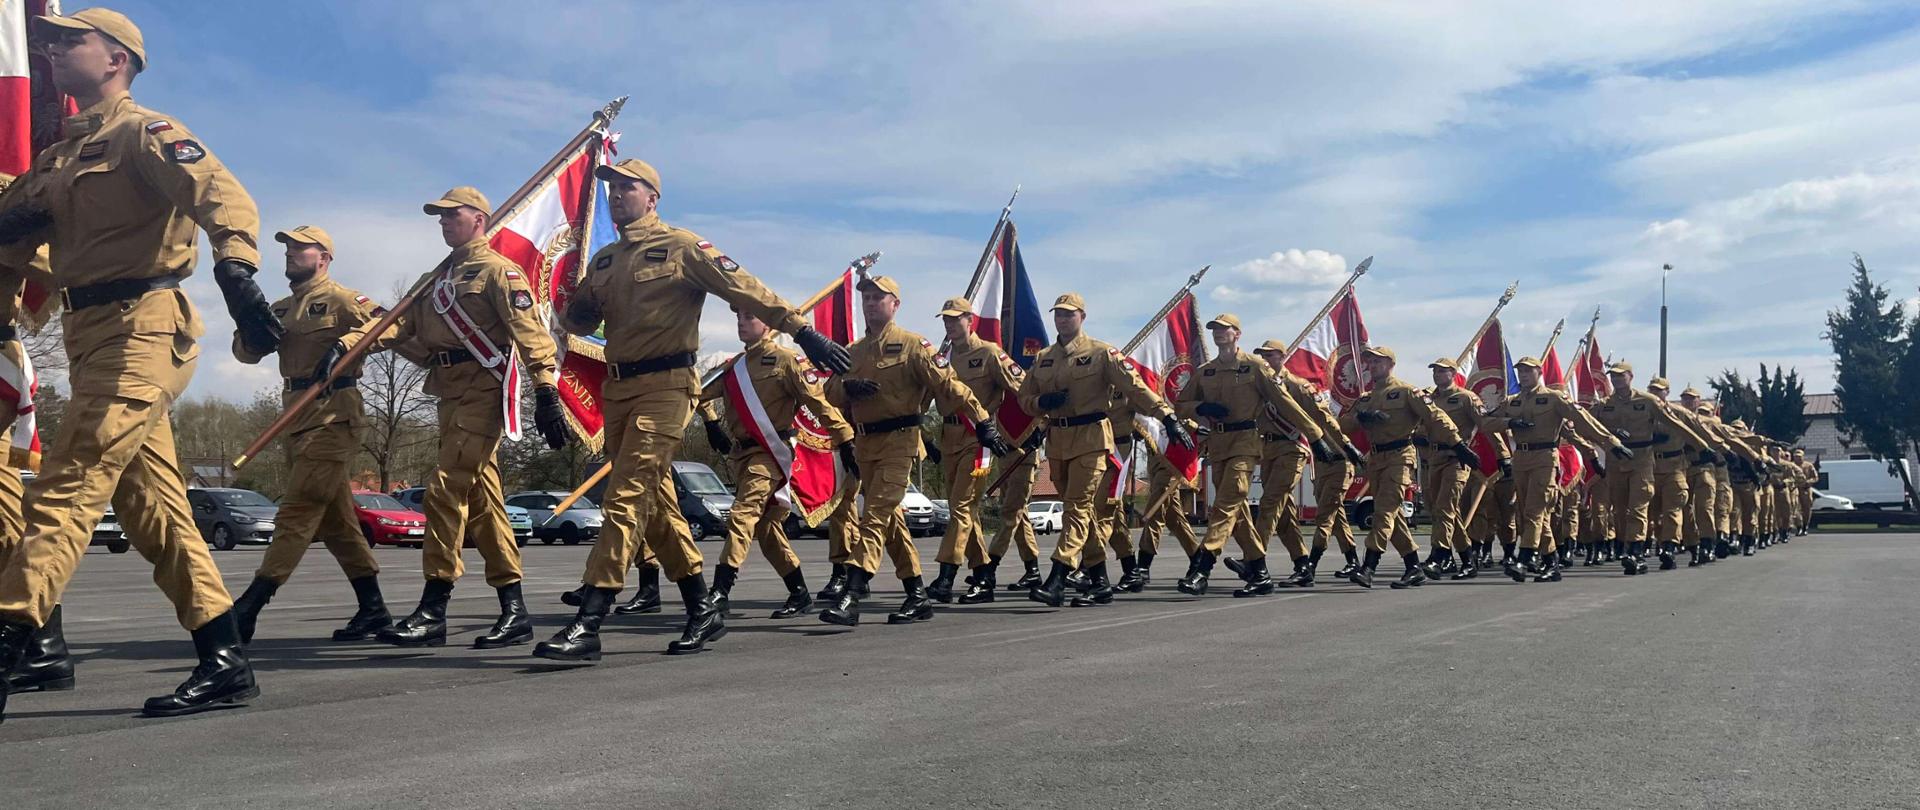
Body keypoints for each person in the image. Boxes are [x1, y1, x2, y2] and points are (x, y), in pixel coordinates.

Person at [0, 7, 277, 719]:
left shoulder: (145, 133)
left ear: (117, 58)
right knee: (151, 508)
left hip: (146, 328)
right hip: (90, 336)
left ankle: (7, 641)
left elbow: (221, 194)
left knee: (70, 479)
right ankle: (224, 661)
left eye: (71, 42)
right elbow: (11, 229)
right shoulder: (59, 157)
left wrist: (239, 267)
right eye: (50, 44)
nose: (54, 53)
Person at [537, 159, 851, 660]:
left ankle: (590, 618)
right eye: (612, 188)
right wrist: (570, 300)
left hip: (666, 388)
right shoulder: (603, 260)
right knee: (658, 504)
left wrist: (801, 331)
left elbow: (744, 286)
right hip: (618, 390)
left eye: (627, 187)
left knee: (626, 494)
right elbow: (579, 319)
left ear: (652, 197)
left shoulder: (681, 247)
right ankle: (701, 607)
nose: (617, 195)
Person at [341, 185, 567, 650]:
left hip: (484, 389)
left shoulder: (500, 272)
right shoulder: (436, 278)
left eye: (452, 215)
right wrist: (348, 346)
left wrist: (546, 387)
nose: (443, 223)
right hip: (446, 391)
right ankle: (514, 609)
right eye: (439, 217)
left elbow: (530, 332)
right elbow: (399, 327)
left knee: (444, 488)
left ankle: (434, 606)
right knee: (484, 505)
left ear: (479, 220)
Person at [228, 226, 393, 643]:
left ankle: (249, 605)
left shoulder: (340, 299)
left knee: (298, 509)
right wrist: (247, 325)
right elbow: (246, 355)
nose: (289, 253)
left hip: (333, 415)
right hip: (295, 417)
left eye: (300, 247)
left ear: (323, 257)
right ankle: (373, 609)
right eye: (286, 247)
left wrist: (346, 345)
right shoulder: (282, 309)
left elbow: (391, 325)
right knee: (337, 523)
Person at [820, 275, 1006, 626]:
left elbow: (950, 385)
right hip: (865, 443)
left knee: (874, 516)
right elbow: (828, 395)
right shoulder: (853, 351)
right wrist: (847, 387)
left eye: (879, 297)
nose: (871, 303)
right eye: (867, 298)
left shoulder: (912, 345)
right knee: (891, 524)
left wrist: (982, 420)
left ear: (895, 305)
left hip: (900, 441)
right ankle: (916, 595)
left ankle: (853, 591)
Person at [1018, 293, 1191, 606]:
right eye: (1058, 314)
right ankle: (1100, 581)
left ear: (1082, 316)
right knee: (1084, 514)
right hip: (1057, 442)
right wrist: (1041, 403)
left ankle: (1058, 576)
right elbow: (1023, 398)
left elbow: (1137, 389)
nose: (1062, 319)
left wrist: (1167, 417)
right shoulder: (1044, 357)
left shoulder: (1102, 354)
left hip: (1092, 440)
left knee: (1077, 508)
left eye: (1069, 314)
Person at [693, 307, 853, 620]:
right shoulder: (734, 367)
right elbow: (697, 394)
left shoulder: (787, 361)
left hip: (770, 452)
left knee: (743, 514)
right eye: (737, 317)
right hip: (741, 454)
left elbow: (818, 403)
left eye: (748, 316)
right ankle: (799, 592)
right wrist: (711, 423)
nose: (741, 321)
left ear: (767, 324)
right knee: (766, 529)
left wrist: (845, 439)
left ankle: (720, 590)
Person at [1175, 315, 1332, 597]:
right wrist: (1201, 407)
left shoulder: (1254, 366)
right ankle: (1259, 573)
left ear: (1237, 334)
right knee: (1238, 514)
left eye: (1225, 329)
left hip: (1246, 442)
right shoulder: (1206, 371)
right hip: (1219, 444)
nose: (1219, 334)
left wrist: (1316, 436)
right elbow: (1181, 403)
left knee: (1227, 502)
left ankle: (1202, 567)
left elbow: (1285, 402)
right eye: (1215, 330)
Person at [1339, 346, 1472, 589]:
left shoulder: (1406, 392)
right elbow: (1343, 425)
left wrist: (1458, 444)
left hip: (1400, 457)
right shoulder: (1366, 398)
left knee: (1384, 512)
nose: (1372, 366)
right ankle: (1413, 566)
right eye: (1370, 362)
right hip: (1376, 460)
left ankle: (1369, 566)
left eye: (1378, 362)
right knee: (1393, 515)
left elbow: (1436, 416)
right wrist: (1361, 418)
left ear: (1390, 363)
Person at [1485, 357, 1625, 582]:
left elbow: (1583, 420)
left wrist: (1611, 443)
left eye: (1528, 371)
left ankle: (1525, 557)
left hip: (1545, 457)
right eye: (1520, 372)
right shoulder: (1512, 402)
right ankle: (1551, 562)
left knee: (1535, 510)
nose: (1523, 376)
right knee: (1527, 513)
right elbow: (1486, 423)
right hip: (1520, 457)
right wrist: (1509, 423)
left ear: (1539, 372)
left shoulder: (1554, 398)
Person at [929, 297, 1027, 603]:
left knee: (962, 506)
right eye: (945, 319)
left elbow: (1022, 389)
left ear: (970, 320)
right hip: (948, 437)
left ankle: (946, 576)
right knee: (964, 509)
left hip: (979, 440)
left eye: (955, 319)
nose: (949, 324)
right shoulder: (941, 357)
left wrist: (1037, 429)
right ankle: (984, 576)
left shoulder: (989, 353)